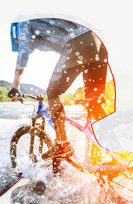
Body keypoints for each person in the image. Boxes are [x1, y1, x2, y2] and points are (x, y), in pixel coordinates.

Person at [8, 17, 108, 160]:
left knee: (53, 93)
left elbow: (23, 53)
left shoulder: (23, 21)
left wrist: (15, 87)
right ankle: (113, 149)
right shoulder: (47, 20)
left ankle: (62, 144)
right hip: (98, 41)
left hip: (79, 42)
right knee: (94, 102)